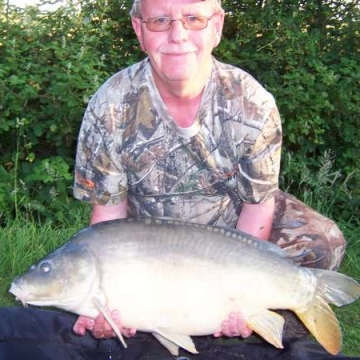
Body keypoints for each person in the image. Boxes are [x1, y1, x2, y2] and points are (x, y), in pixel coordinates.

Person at [71, 0, 346, 344]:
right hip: (152, 239)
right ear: (139, 31)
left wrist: (244, 291)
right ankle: (182, 313)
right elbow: (108, 220)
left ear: (216, 27)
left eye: (194, 19)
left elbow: (258, 206)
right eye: (160, 21)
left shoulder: (252, 103)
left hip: (232, 228)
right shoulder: (110, 105)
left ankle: (264, 316)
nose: (178, 35)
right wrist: (100, 297)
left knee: (323, 241)